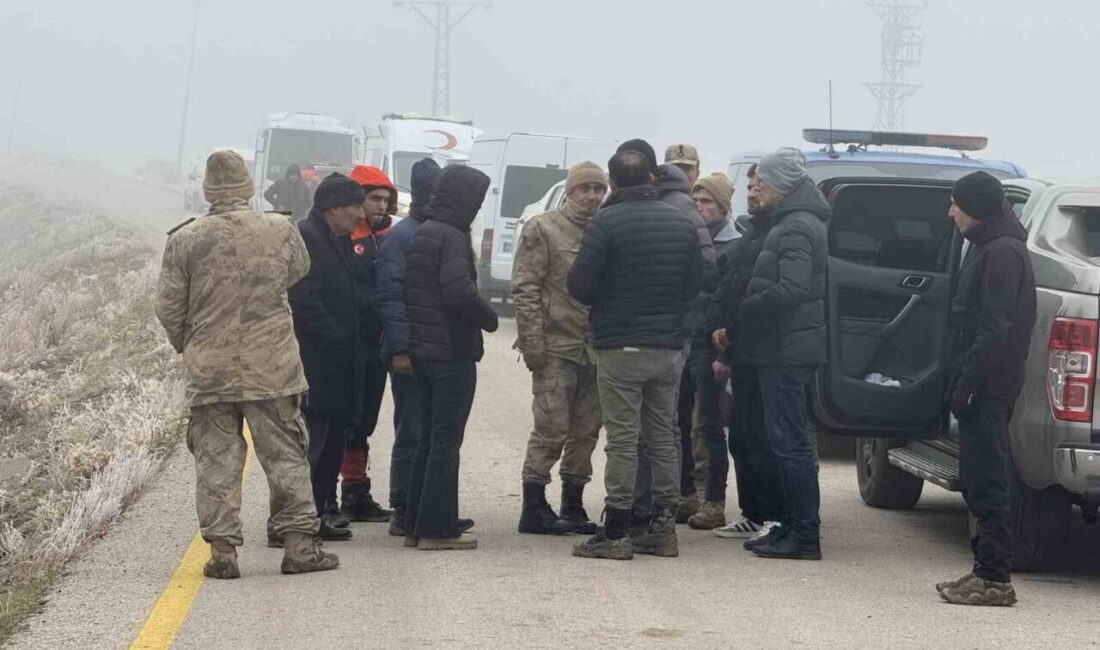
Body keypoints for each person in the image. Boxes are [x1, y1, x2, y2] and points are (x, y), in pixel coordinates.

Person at [154, 150, 338, 577]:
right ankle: (299, 547)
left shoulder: (185, 239)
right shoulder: (281, 229)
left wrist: (191, 343)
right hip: (272, 367)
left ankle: (222, 555)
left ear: (207, 189)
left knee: (216, 460)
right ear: (249, 186)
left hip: (210, 369)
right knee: (287, 456)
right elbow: (298, 272)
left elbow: (168, 307)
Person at [568, 149, 703, 561]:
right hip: (668, 347)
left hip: (620, 346)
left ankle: (616, 531)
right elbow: (696, 283)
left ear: (612, 183)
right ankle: (663, 528)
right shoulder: (683, 223)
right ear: (652, 178)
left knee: (623, 441)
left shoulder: (605, 223)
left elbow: (580, 286)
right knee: (663, 437)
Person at [723, 148, 829, 560]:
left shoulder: (797, 226)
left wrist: (745, 305)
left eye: (760, 182)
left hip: (787, 349)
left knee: (790, 443)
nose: (755, 189)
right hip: (778, 347)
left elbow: (795, 288)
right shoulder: (791, 221)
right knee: (779, 439)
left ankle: (804, 534)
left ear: (780, 185)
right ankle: (787, 524)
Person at [937, 171, 1035, 607]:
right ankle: (983, 570)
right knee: (977, 477)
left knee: (989, 478)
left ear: (975, 205)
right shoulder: (989, 246)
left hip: (989, 385)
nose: (951, 210)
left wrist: (969, 384)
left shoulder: (1002, 252)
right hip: (983, 382)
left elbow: (995, 329)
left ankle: (995, 578)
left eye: (956, 203)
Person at [404, 165, 498, 551]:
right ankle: (438, 530)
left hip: (424, 352)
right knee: (446, 442)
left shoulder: (425, 231)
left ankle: (416, 522)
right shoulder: (453, 236)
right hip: (451, 353)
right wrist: (489, 317)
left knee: (427, 439)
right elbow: (457, 291)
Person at [512, 161, 608, 536]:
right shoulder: (543, 228)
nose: (592, 196)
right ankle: (533, 503)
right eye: (585, 189)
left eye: (598, 189)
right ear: (569, 192)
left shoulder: (605, 230)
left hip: (595, 347)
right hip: (555, 345)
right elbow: (526, 287)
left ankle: (573, 502)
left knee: (586, 430)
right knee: (551, 426)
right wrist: (533, 341)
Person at [376, 158, 459, 537]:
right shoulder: (403, 236)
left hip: (434, 350)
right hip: (409, 349)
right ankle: (403, 505)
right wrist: (399, 349)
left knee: (431, 431)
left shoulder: (435, 231)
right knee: (412, 428)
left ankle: (426, 505)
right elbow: (391, 296)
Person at [708, 164, 786, 541]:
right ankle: (752, 513)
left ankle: (774, 516)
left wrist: (732, 338)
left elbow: (765, 297)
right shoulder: (752, 231)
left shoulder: (782, 231)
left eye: (760, 186)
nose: (753, 192)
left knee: (765, 438)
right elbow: (733, 286)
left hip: (769, 351)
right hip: (742, 349)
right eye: (751, 185)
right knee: (741, 435)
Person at [287, 173, 366, 543]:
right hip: (316, 363)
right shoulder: (307, 237)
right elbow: (304, 300)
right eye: (354, 207)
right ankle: (290, 521)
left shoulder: (337, 238)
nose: (360, 215)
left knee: (332, 445)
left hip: (337, 365)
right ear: (334, 207)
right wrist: (337, 335)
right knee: (311, 448)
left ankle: (316, 515)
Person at [332, 165, 399, 524]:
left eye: (386, 200)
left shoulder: (382, 237)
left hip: (374, 346)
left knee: (364, 420)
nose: (381, 206)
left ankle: (356, 491)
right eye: (374, 198)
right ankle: (336, 493)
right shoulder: (341, 239)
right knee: (344, 420)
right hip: (347, 347)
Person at [684, 172, 739, 530]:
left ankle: (714, 500)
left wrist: (724, 355)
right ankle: (684, 495)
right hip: (684, 341)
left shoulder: (735, 246)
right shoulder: (690, 239)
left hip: (711, 346)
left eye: (707, 202)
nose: (701, 208)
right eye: (697, 201)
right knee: (679, 422)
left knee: (710, 426)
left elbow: (731, 303)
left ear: (722, 206)